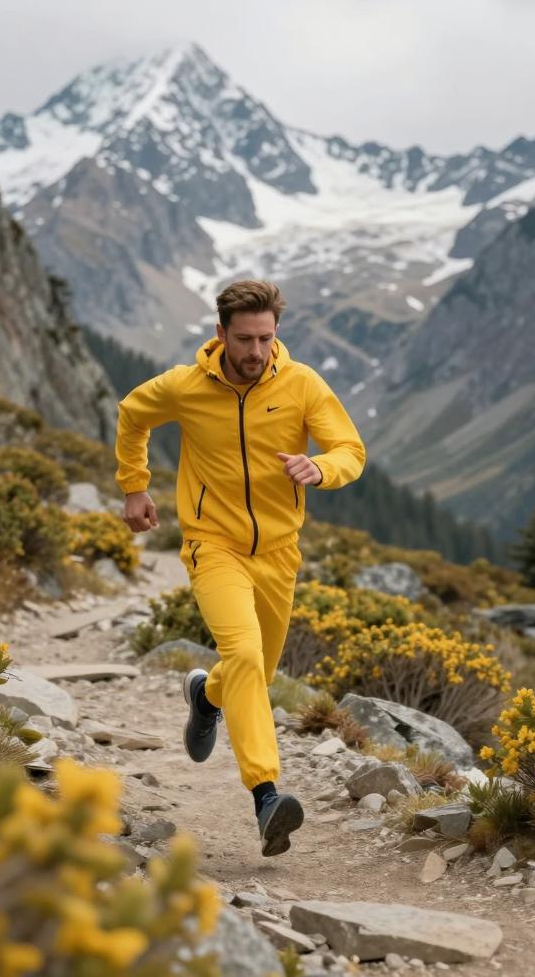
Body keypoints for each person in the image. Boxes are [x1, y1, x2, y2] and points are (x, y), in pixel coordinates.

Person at [115, 279, 365, 856]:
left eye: (266, 338)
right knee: (245, 654)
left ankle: (207, 697)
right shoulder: (186, 387)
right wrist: (134, 486)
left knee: (257, 671)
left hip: (279, 553)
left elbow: (350, 449)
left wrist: (321, 468)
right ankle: (266, 796)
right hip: (213, 546)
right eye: (245, 339)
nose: (256, 351)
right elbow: (132, 414)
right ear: (221, 334)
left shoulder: (302, 384)